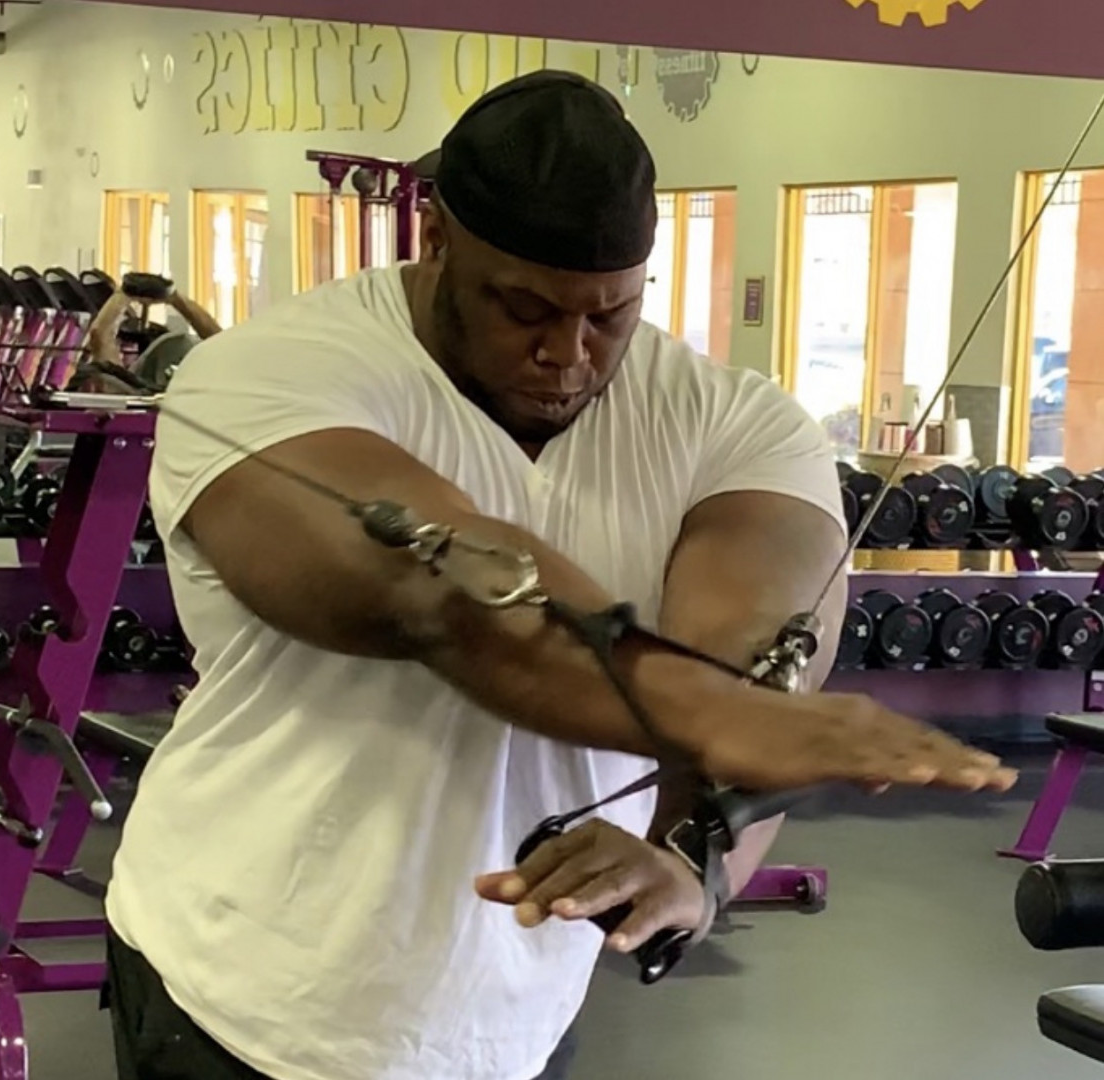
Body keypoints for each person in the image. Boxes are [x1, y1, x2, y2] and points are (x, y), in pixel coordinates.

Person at [103, 70, 1015, 1080]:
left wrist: (694, 858)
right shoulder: (268, 376)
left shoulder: (736, 421)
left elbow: (755, 654)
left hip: (515, 1019)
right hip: (237, 996)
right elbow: (437, 597)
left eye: (609, 315)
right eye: (524, 308)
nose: (567, 353)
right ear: (436, 240)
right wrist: (715, 714)